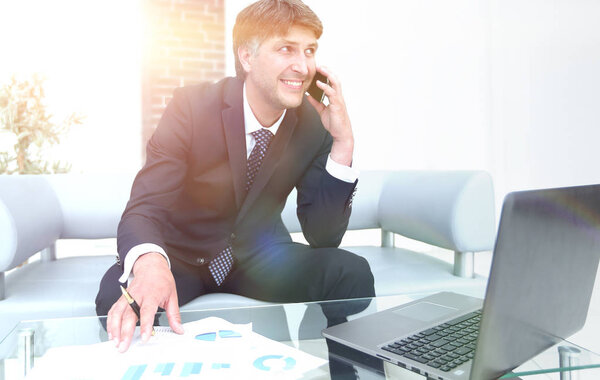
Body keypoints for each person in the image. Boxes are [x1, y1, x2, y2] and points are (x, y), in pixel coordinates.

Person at [95, 0, 375, 353]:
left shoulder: (313, 124)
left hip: (262, 258)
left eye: (309, 51)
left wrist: (342, 143)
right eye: (286, 49)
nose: (302, 66)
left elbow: (323, 236)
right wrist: (151, 265)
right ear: (247, 57)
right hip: (182, 255)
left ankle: (323, 361)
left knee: (351, 272)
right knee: (116, 298)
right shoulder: (191, 106)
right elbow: (145, 206)